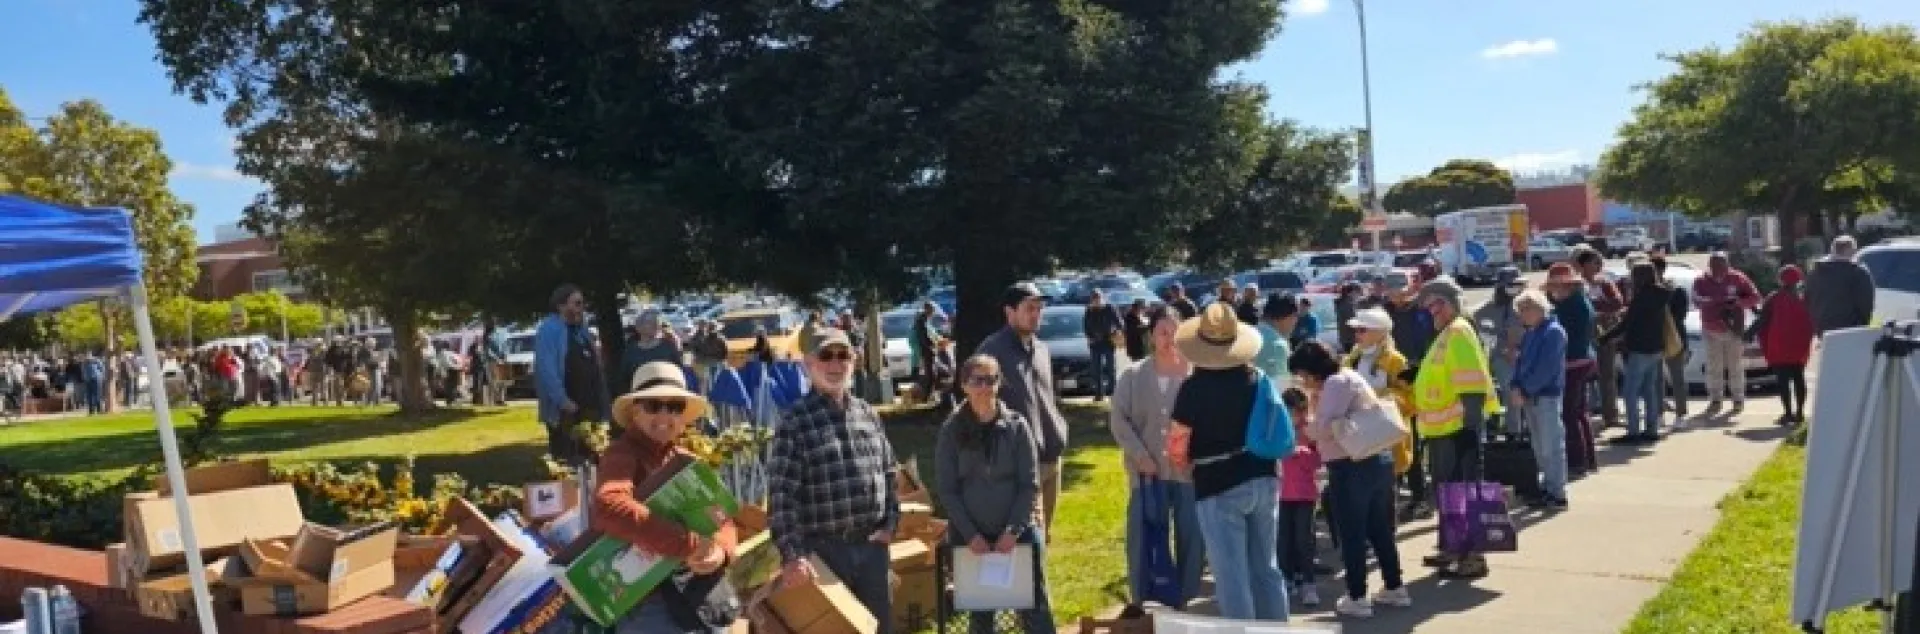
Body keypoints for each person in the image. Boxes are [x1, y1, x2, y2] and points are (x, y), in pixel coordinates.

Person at [765, 330, 900, 632]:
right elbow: (782, 497)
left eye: (844, 356)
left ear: (854, 361)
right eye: (826, 356)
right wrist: (792, 555)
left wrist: (891, 524)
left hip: (872, 548)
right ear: (808, 363)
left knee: (880, 629)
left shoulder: (867, 414)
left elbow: (890, 473)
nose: (836, 365)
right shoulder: (794, 421)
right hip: (823, 553)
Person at [591, 361, 739, 632]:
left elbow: (723, 519)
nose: (664, 415)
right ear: (635, 412)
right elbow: (609, 506)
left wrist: (720, 552)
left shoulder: (686, 460)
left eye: (675, 407)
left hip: (695, 595)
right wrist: (689, 545)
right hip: (649, 600)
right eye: (653, 405)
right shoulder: (622, 454)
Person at [1168, 303, 1288, 621]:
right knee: (1266, 569)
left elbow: (1178, 446)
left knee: (1232, 577)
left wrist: (1185, 467)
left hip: (1217, 483)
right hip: (1263, 474)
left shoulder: (1193, 389)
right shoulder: (1257, 378)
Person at [935, 354, 1055, 634]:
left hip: (1017, 532)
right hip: (971, 536)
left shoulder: (1017, 426)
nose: (985, 387)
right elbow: (948, 490)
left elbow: (1029, 484)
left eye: (991, 380)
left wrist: (1013, 531)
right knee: (981, 613)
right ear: (964, 385)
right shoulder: (951, 430)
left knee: (1035, 607)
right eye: (978, 381)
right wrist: (971, 535)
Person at [1290, 340, 1411, 618]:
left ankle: (1357, 595)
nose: (1302, 381)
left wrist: (1304, 423)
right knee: (1379, 530)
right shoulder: (1349, 377)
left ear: (1312, 371)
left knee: (1352, 533)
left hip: (1350, 466)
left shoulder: (1334, 384)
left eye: (1303, 374)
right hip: (1376, 460)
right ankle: (1394, 586)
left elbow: (1323, 428)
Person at [1109, 306, 1204, 612]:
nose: (1169, 338)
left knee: (1192, 535)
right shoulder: (1133, 376)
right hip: (1147, 473)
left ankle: (1185, 598)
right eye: (1162, 332)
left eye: (1175, 332)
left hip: (1187, 472)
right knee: (1143, 535)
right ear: (1151, 336)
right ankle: (1144, 600)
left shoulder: (1196, 375)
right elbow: (1119, 421)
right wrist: (1140, 455)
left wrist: (1195, 454)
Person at [1409, 277, 1500, 579]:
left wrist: (1469, 428)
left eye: (1436, 303)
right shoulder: (1446, 334)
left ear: (1451, 304)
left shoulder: (1459, 332)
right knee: (1449, 493)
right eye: (1428, 306)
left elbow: (1471, 382)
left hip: (1458, 429)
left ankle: (1472, 557)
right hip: (1443, 430)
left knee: (1464, 492)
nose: (1431, 310)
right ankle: (1452, 547)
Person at [978, 283, 1069, 536]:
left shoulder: (1041, 349)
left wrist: (1059, 427)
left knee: (1044, 537)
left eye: (1039, 308)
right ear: (1009, 312)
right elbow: (979, 407)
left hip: (1052, 455)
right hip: (1020, 465)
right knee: (1029, 540)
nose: (1036, 314)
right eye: (1029, 308)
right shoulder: (992, 352)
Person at [535, 284, 610, 465]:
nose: (581, 308)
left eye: (582, 304)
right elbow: (547, 369)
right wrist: (562, 400)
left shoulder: (582, 330)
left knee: (594, 456)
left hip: (591, 407)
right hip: (566, 409)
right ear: (561, 305)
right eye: (576, 303)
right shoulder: (549, 330)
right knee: (568, 460)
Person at [1599, 262, 1673, 443]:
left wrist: (1604, 337)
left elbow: (1626, 324)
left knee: (1630, 392)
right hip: (1656, 347)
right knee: (1649, 390)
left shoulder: (1640, 298)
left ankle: (1633, 431)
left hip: (1639, 349)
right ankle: (1651, 429)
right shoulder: (1661, 295)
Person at [1511, 289, 1570, 509]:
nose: (1523, 314)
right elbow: (1520, 363)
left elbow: (1547, 369)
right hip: (1530, 397)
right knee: (1539, 446)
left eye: (1527, 309)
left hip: (1546, 397)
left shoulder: (1554, 332)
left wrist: (1524, 389)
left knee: (1551, 446)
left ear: (1540, 308)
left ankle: (1558, 492)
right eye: (1520, 310)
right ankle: (1547, 487)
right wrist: (1515, 386)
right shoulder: (1530, 333)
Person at [1545, 263, 1599, 475]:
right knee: (1580, 413)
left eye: (1555, 286)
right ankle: (1588, 459)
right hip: (1584, 360)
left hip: (1573, 363)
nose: (1552, 291)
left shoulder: (1568, 307)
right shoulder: (1580, 301)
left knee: (1569, 414)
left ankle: (1577, 461)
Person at [1691, 252, 1761, 411]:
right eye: (1715, 266)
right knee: (1714, 366)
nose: (1720, 270)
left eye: (1723, 266)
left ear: (1727, 265)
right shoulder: (1701, 281)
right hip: (1711, 329)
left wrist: (1738, 302)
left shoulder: (1738, 278)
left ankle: (1738, 399)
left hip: (1733, 330)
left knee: (1735, 365)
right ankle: (1715, 399)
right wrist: (1718, 301)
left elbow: (1755, 297)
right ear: (1710, 266)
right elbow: (1696, 301)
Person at [1275, 387, 1324, 607]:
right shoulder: (1277, 428)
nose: (1296, 416)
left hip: (1305, 494)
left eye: (1300, 411)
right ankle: (1287, 578)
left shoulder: (1310, 430)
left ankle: (1308, 582)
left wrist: (1300, 452)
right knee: (1283, 539)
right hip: (1282, 493)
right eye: (1291, 412)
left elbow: (1318, 460)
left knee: (1304, 539)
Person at [1754, 265, 1816, 425]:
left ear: (1781, 280)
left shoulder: (1774, 298)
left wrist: (1747, 333)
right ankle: (1800, 413)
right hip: (1800, 345)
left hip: (1779, 345)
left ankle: (1788, 413)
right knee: (1799, 377)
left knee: (1783, 381)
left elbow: (1763, 319)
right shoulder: (1806, 298)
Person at [1576, 248, 1625, 429]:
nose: (1598, 266)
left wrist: (1596, 308)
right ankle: (1582, 417)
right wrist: (1597, 309)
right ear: (1582, 265)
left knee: (1608, 375)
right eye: (1594, 262)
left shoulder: (1605, 283)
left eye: (1600, 263)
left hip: (1605, 334)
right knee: (1582, 377)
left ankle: (1610, 416)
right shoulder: (1576, 285)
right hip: (1583, 335)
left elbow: (1617, 302)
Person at [1472, 268, 1527, 420]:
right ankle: (1513, 429)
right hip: (1501, 357)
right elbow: (1483, 332)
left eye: (1519, 284)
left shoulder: (1528, 304)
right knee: (1510, 391)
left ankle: (1526, 426)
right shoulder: (1486, 310)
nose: (1516, 288)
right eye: (1512, 285)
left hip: (1526, 356)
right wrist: (1504, 349)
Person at [1804, 235, 1876, 337]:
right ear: (1851, 251)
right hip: (1850, 331)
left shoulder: (1816, 272)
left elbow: (1808, 300)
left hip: (1823, 330)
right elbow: (1866, 305)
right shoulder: (1858, 273)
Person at [1651, 255, 1691, 418]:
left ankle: (1681, 414)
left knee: (1677, 378)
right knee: (1656, 378)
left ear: (1661, 270)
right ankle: (1658, 412)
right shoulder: (1646, 292)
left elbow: (1680, 316)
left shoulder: (1676, 290)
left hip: (1674, 338)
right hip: (1654, 339)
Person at [1082, 289, 1123, 401]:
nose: (1096, 301)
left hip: (1108, 341)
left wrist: (1115, 332)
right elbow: (1085, 326)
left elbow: (1120, 323)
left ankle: (1113, 392)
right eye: (1094, 298)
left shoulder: (1109, 308)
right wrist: (1089, 337)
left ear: (1102, 298)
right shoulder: (1089, 310)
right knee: (1096, 369)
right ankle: (1099, 394)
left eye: (1098, 298)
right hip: (1095, 343)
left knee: (1110, 368)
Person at [1254, 293, 1300, 387]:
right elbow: (1280, 388)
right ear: (1288, 316)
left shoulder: (1250, 335)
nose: (1295, 322)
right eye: (1296, 316)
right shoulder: (1278, 345)